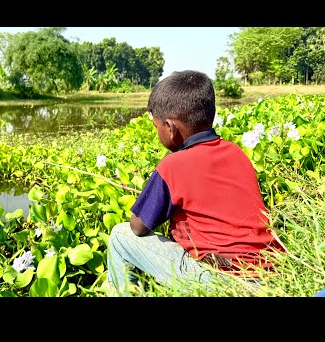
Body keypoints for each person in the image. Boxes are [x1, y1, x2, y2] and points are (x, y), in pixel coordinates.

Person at [106, 70, 286, 295]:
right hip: (271, 274)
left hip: (220, 280)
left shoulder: (172, 166)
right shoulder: (236, 152)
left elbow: (138, 227)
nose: (157, 132)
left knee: (120, 235)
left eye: (156, 127)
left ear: (170, 128)